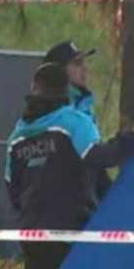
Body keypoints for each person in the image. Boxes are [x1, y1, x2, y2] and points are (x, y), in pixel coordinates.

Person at [4, 63, 134, 269]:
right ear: (65, 89)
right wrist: (127, 141)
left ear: (34, 88)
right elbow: (98, 157)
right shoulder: (73, 121)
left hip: (31, 231)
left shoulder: (17, 137)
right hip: (72, 230)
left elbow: (12, 188)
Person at [43, 40, 113, 199]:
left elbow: (94, 165)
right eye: (77, 63)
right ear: (59, 72)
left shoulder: (84, 105)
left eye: (84, 62)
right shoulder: (53, 111)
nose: (85, 68)